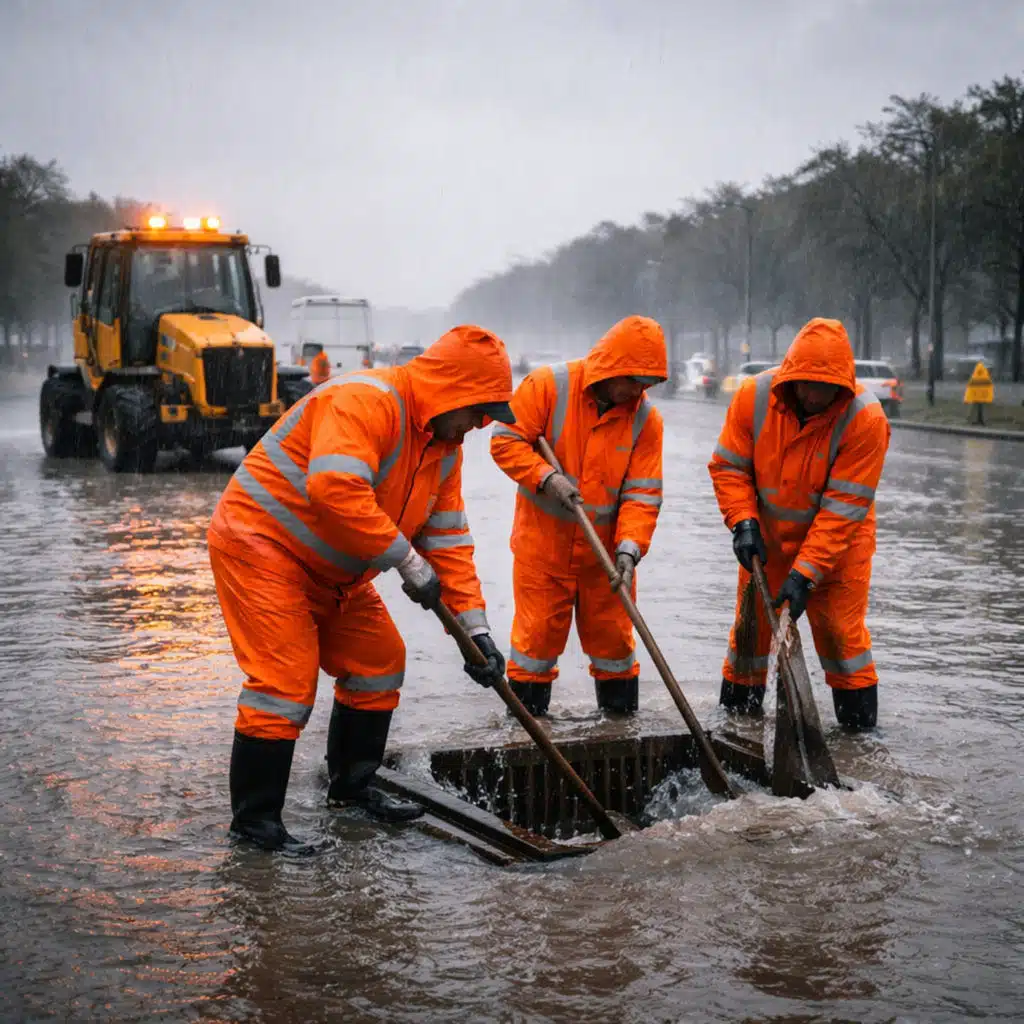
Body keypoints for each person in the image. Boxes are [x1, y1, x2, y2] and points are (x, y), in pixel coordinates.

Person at [208, 325, 514, 852]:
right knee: (283, 684)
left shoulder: (444, 445)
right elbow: (334, 490)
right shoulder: (364, 401)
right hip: (263, 548)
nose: (481, 425)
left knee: (379, 660)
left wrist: (476, 629)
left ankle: (351, 788)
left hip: (337, 573)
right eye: (479, 410)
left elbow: (448, 540)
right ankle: (255, 824)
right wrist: (405, 559)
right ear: (451, 393)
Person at [708, 317, 890, 730]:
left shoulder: (865, 419)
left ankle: (857, 743)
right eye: (805, 383)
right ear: (790, 374)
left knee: (843, 640)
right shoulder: (754, 397)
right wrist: (743, 523)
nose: (812, 395)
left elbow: (843, 509)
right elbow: (729, 468)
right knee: (748, 644)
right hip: (765, 542)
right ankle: (738, 730)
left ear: (842, 386)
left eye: (824, 387)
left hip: (839, 550)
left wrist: (806, 575)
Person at [489, 315, 667, 717]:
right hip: (543, 552)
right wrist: (545, 477)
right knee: (534, 650)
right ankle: (529, 738)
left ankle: (619, 735)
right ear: (615, 368)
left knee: (616, 651)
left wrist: (629, 550)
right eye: (635, 381)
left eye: (647, 385)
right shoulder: (547, 387)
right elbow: (505, 441)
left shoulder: (644, 419)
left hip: (604, 560)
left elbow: (643, 492)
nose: (639, 392)